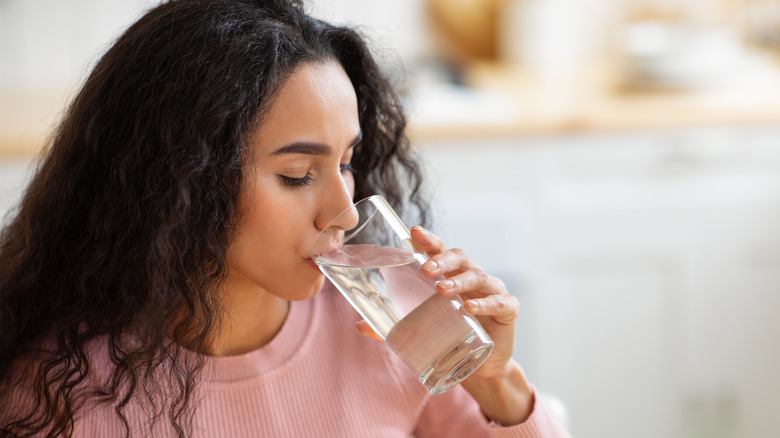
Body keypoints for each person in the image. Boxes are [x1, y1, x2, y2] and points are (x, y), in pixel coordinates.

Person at [0, 1, 571, 437]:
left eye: (346, 162)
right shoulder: (57, 386)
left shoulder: (396, 319)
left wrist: (497, 383)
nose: (345, 212)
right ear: (180, 179)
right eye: (298, 174)